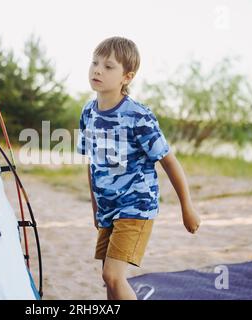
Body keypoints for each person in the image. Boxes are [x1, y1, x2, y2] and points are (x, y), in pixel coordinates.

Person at [77, 36, 201, 300]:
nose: (97, 69)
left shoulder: (138, 116)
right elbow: (92, 164)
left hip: (136, 205)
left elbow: (168, 161)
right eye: (94, 62)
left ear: (127, 77)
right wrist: (95, 208)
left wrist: (186, 207)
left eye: (109, 66)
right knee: (108, 279)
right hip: (107, 208)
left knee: (113, 275)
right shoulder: (88, 113)